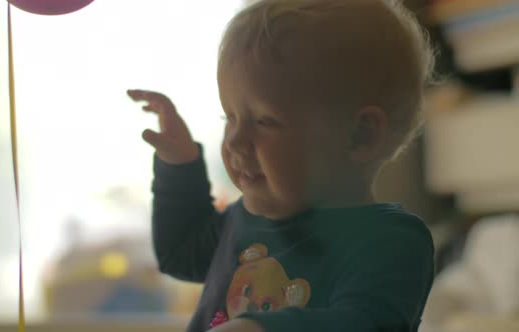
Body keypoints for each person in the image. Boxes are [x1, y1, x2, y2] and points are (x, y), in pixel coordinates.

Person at [128, 0, 436, 331]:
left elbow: (367, 324)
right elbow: (180, 253)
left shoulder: (389, 242)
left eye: (264, 121)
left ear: (360, 135)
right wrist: (180, 166)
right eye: (229, 117)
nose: (234, 141)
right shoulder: (242, 220)